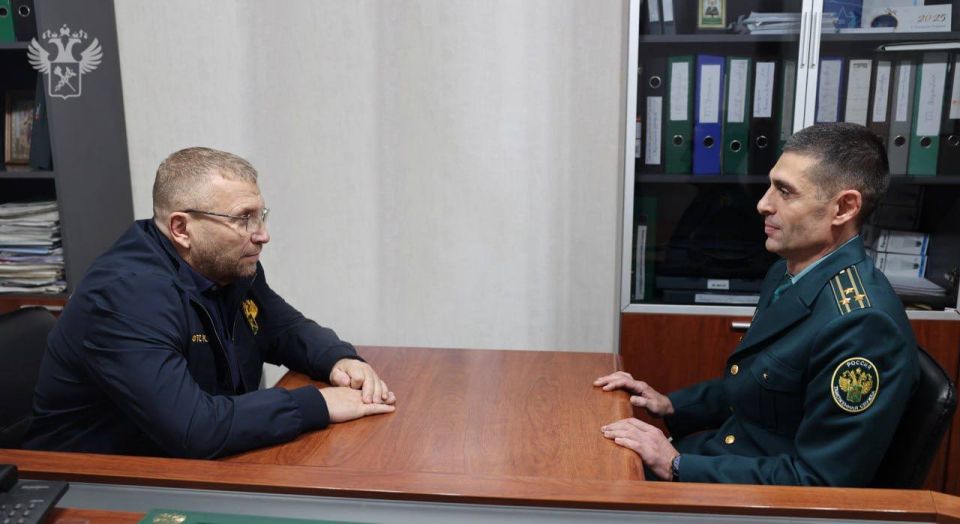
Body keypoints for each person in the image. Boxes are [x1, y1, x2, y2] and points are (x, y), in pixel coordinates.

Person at [595, 123, 919, 486]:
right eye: (770, 186)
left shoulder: (862, 325)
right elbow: (755, 389)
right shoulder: (789, 272)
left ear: (844, 207)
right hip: (725, 462)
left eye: (785, 191)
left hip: (754, 501)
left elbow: (819, 482)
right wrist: (670, 404)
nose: (763, 204)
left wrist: (676, 465)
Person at [24, 147, 396, 458]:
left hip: (187, 463)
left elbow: (284, 328)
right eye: (243, 219)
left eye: (260, 216)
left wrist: (338, 359)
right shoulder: (124, 296)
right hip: (91, 482)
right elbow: (194, 429)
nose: (262, 235)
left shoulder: (228, 265)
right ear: (181, 228)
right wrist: (320, 405)